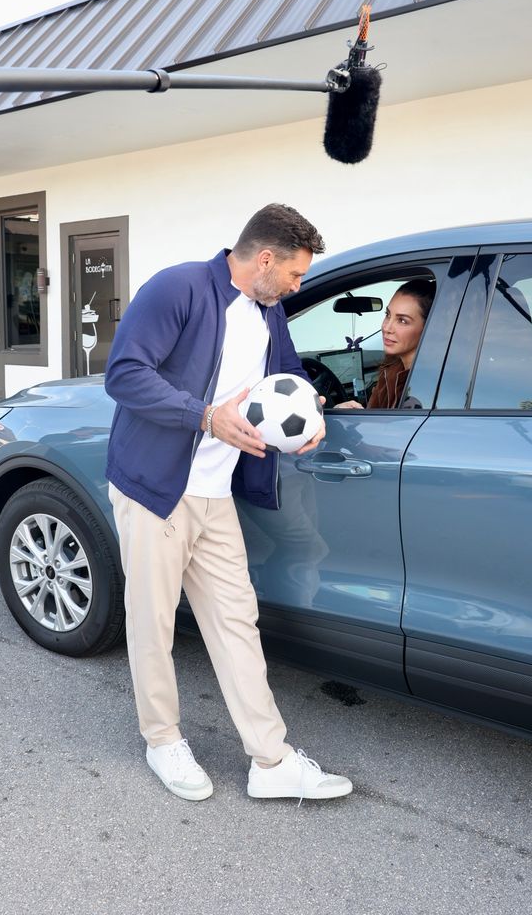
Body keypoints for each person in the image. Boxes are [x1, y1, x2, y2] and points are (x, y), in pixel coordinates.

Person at [105, 203, 353, 804]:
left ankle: (271, 761)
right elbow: (124, 374)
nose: (298, 285)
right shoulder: (179, 287)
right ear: (265, 259)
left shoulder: (269, 312)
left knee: (237, 623)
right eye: (295, 274)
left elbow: (287, 376)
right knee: (153, 623)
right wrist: (205, 416)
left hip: (215, 497)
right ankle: (162, 739)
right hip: (155, 490)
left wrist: (316, 412)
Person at [335, 279, 435, 410]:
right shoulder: (390, 369)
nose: (386, 327)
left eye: (402, 321)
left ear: (427, 327)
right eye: (388, 314)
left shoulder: (430, 383)